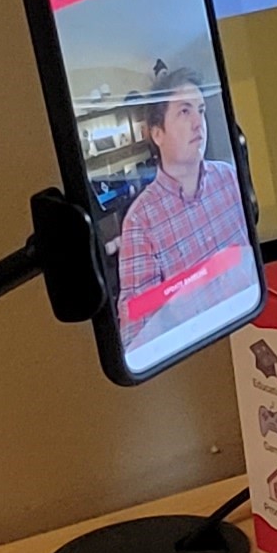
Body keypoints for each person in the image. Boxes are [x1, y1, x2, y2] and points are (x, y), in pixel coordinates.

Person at [112, 61, 255, 343]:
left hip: (255, 324)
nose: (198, 122)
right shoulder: (140, 221)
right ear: (157, 133)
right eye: (184, 111)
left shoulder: (229, 178)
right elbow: (135, 334)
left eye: (200, 110)